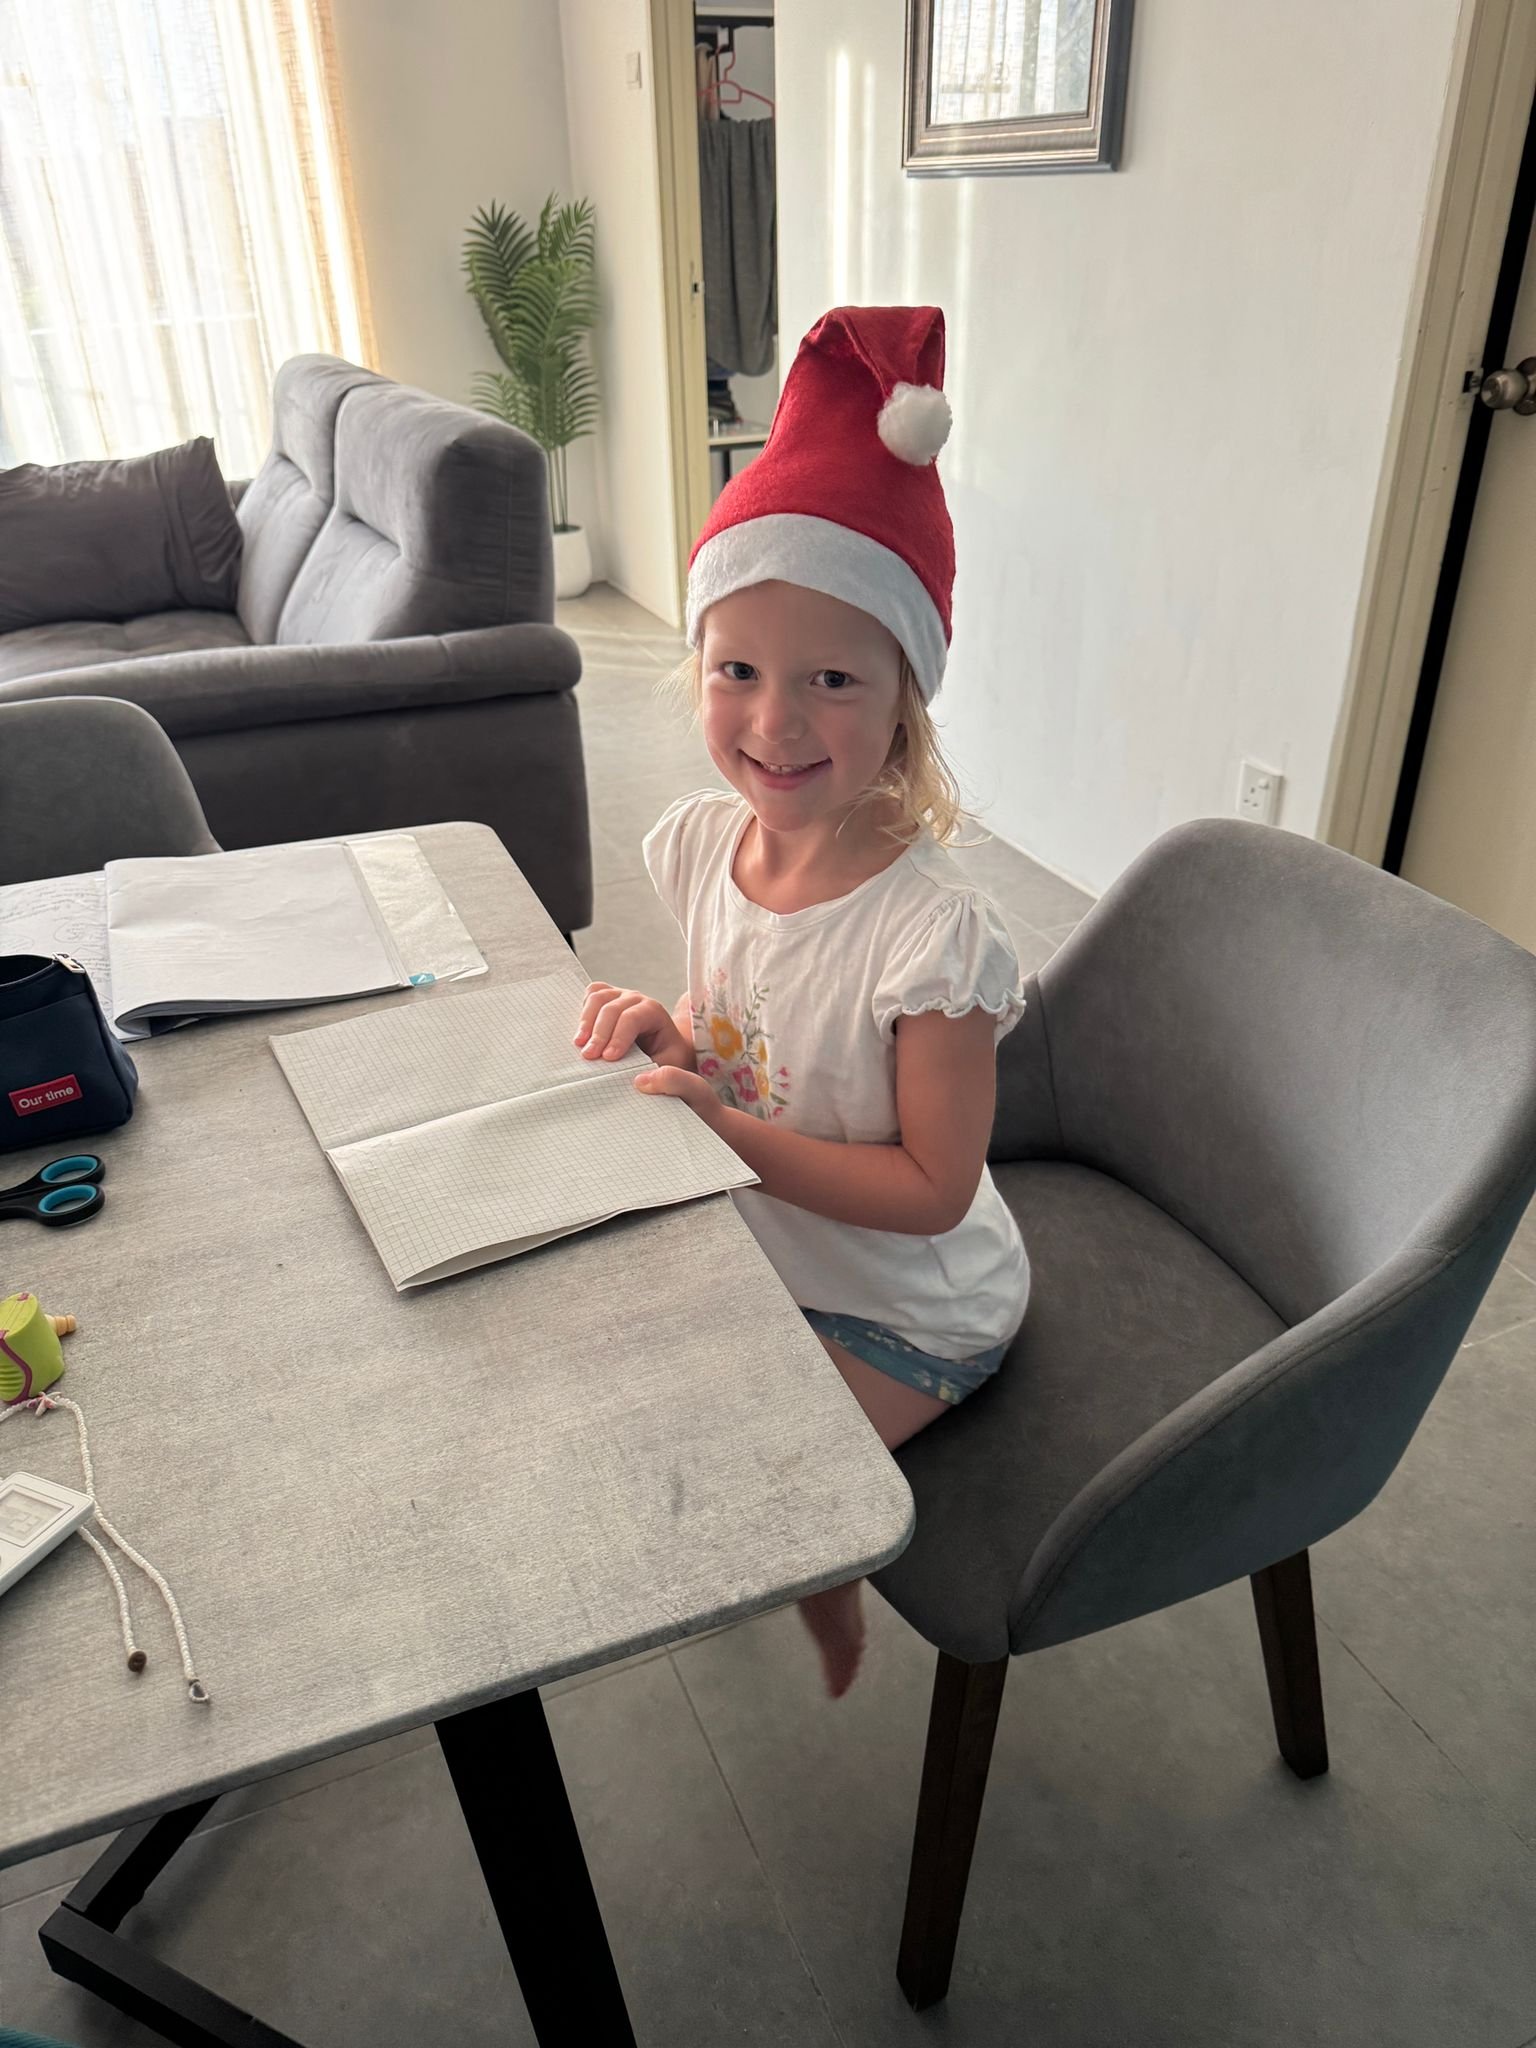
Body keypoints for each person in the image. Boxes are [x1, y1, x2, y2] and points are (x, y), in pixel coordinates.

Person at [572, 305, 1029, 1696]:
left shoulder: (932, 939)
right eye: (739, 672)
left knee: (776, 1482)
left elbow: (935, 1191)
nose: (774, 722)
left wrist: (723, 1132)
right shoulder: (704, 848)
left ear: (904, 704)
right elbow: (749, 1037)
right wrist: (672, 1032)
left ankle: (834, 1577)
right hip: (775, 1244)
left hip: (913, 1304)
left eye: (832, 679)